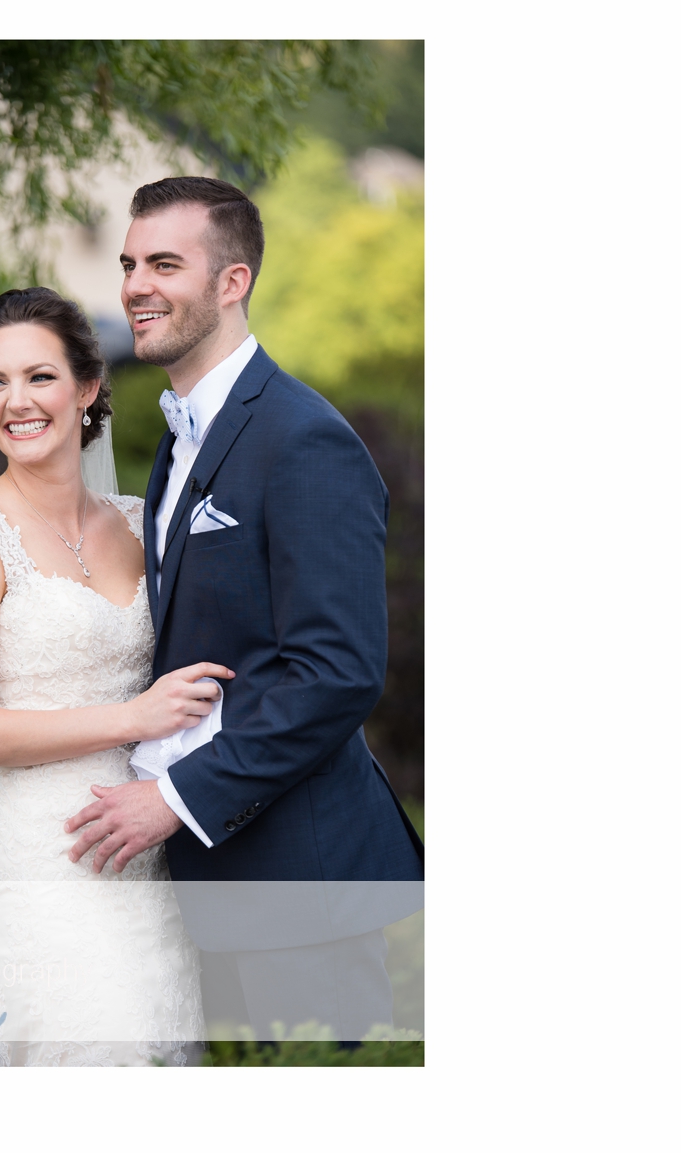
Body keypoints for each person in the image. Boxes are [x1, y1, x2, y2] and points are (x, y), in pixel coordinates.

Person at [59, 177, 423, 1042]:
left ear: (233, 282)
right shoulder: (184, 439)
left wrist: (175, 798)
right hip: (204, 883)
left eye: (165, 264)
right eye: (129, 265)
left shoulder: (304, 439)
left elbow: (336, 675)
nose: (136, 285)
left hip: (297, 887)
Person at [0, 287, 232, 1066]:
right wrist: (133, 717)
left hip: (150, 850)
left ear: (88, 388)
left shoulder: (140, 520)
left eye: (39, 377)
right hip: (43, 857)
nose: (15, 403)